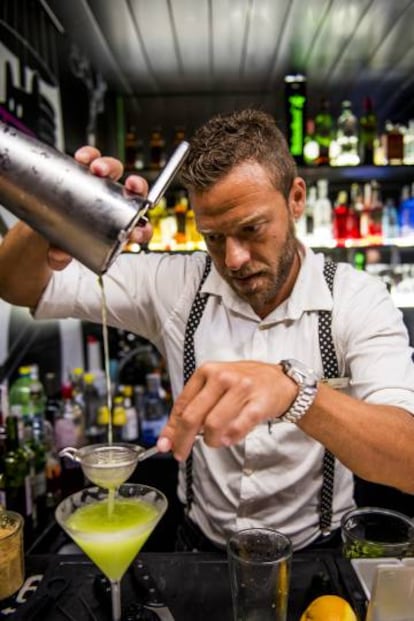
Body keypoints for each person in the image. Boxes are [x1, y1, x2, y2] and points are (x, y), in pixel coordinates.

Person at [0, 109, 413, 552]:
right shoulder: (174, 284)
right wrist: (54, 202)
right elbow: (19, 285)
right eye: (213, 237)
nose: (233, 258)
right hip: (199, 550)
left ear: (296, 199)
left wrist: (295, 394)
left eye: (251, 229)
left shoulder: (357, 299)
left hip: (316, 553)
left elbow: (406, 458)